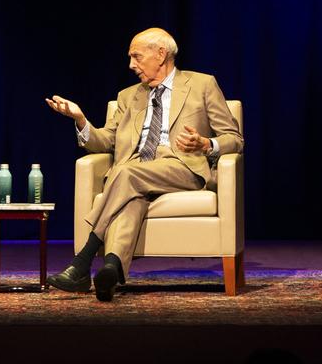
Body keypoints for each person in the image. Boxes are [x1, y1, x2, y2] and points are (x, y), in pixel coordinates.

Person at [43, 27, 243, 301]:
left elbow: (234, 139)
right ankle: (111, 269)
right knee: (129, 195)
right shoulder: (128, 96)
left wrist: (207, 144)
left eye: (136, 57)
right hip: (136, 169)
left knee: (124, 174)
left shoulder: (202, 84)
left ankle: (83, 259)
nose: (131, 65)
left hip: (181, 165)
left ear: (161, 55)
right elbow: (106, 141)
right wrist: (81, 120)